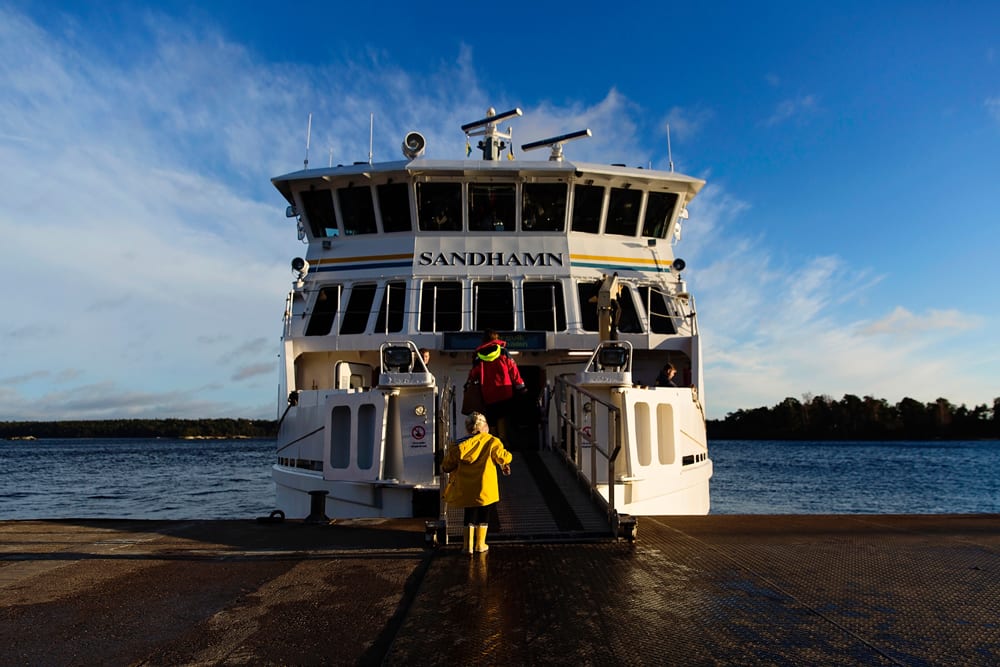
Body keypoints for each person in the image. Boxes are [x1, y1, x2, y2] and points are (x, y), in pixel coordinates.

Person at [441, 411, 512, 554]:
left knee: (469, 514)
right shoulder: (492, 441)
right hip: (485, 487)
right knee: (484, 514)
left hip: (465, 488)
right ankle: (480, 545)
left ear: (468, 428)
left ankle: (467, 547)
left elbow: (447, 466)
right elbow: (503, 457)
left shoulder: (458, 445)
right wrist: (507, 460)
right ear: (484, 426)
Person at [466, 330, 525, 440]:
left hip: (488, 392)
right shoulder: (503, 352)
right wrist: (520, 386)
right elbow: (513, 369)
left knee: (491, 418)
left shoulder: (478, 356)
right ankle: (504, 442)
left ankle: (492, 442)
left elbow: (474, 374)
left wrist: (469, 383)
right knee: (502, 417)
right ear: (496, 339)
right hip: (504, 391)